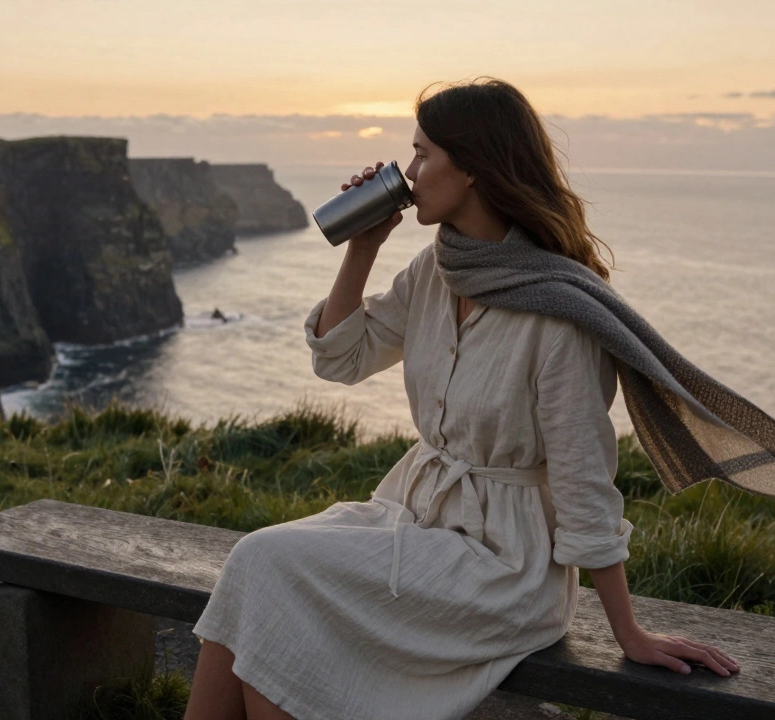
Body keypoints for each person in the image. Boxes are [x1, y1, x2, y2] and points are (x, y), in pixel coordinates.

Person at [184, 78, 741, 720]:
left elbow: (584, 481)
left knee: (272, 569)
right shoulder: (437, 269)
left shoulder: (557, 310)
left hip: (505, 568)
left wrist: (629, 634)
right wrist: (363, 246)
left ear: (472, 169)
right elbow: (339, 359)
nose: (408, 171)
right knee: (257, 568)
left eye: (422, 154)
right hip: (417, 519)